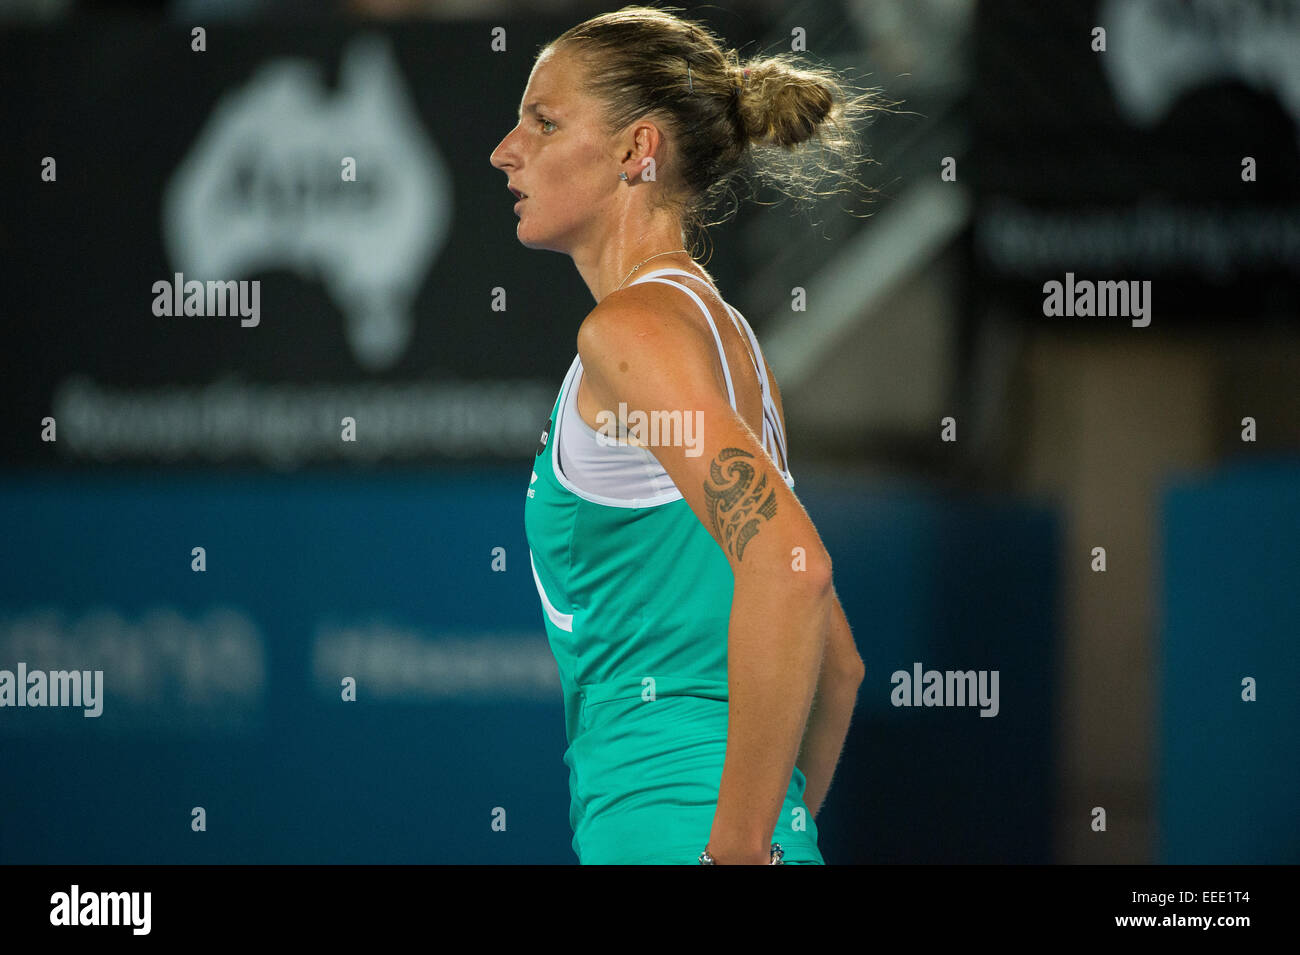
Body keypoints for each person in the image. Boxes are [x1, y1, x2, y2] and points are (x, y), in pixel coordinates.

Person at [490, 5, 881, 864]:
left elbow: (792, 570)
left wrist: (732, 851)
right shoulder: (733, 345)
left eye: (543, 122)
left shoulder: (630, 334)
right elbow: (838, 668)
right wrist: (775, 831)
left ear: (637, 151)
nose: (505, 149)